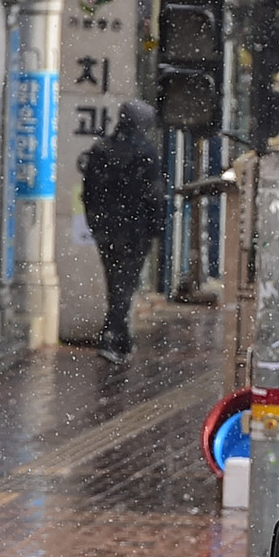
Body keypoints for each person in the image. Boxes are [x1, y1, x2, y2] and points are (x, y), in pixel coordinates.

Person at [78, 100, 170, 363]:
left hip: (107, 228)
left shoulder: (101, 149)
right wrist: (156, 226)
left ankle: (120, 337)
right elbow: (155, 195)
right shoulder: (145, 152)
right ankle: (112, 336)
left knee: (115, 281)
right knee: (126, 283)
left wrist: (95, 222)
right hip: (135, 230)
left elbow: (89, 192)